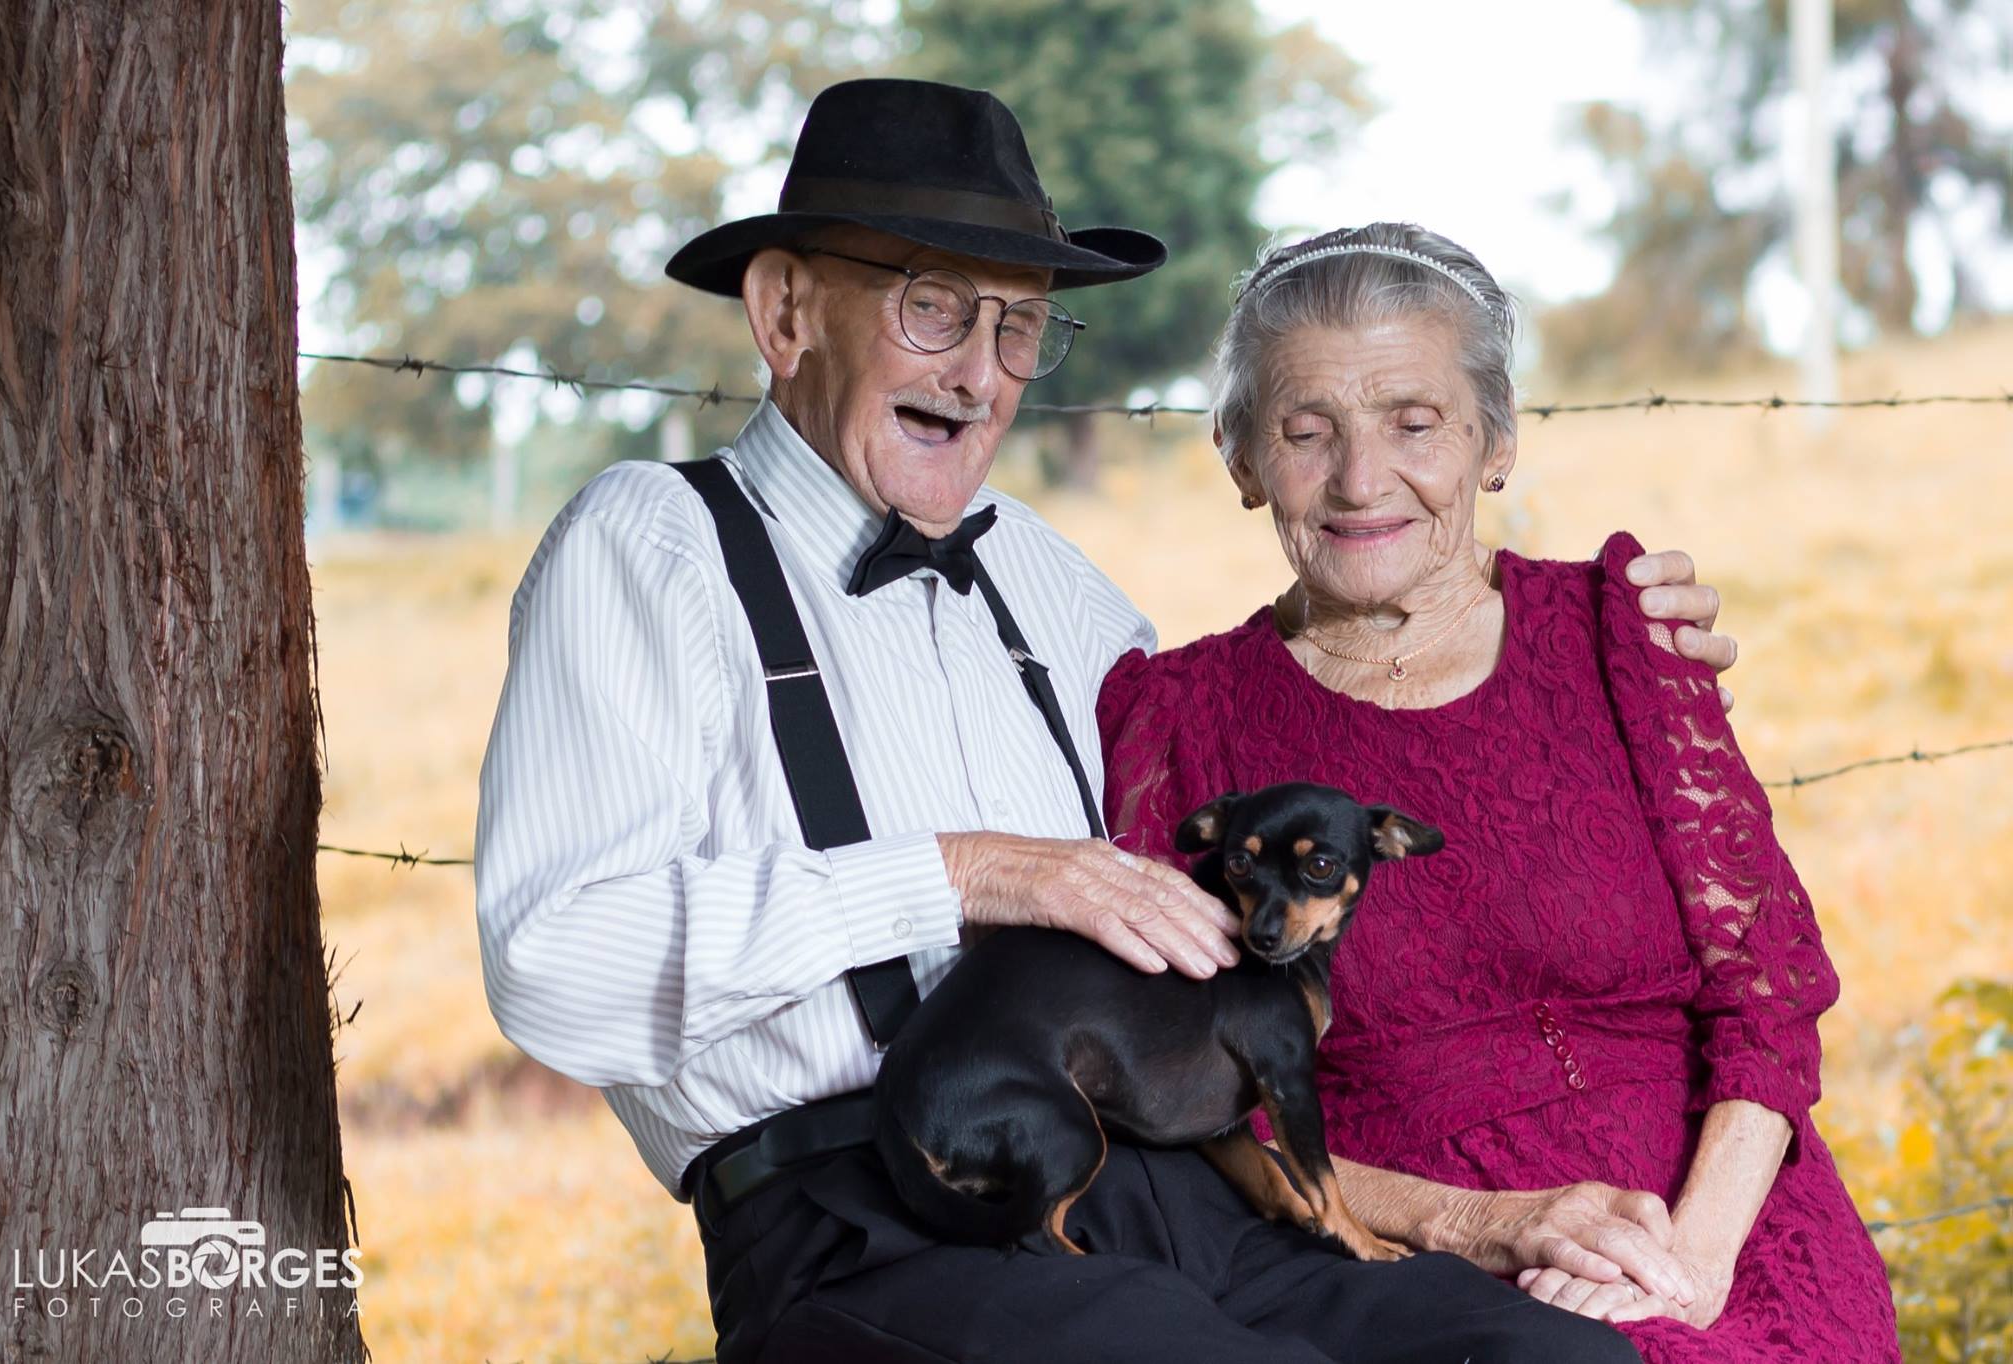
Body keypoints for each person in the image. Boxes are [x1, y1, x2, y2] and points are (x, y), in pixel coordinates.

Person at [474, 80, 1739, 1364]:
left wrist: (1589, 655)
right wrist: (962, 874)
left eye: (1018, 326)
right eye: (931, 306)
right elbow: (554, 963)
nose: (978, 372)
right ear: (786, 309)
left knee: (1551, 1358)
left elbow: (1287, 744)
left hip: (1168, 1189)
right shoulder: (650, 546)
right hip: (866, 1213)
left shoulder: (1047, 579)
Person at [1097, 222, 1902, 1363]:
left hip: (1725, 1222)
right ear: (1237, 458)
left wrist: (1688, 1267)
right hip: (1419, 1270)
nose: (1360, 478)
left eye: (1412, 422)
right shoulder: (1175, 719)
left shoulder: (1619, 633)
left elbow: (1763, 998)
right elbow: (1191, 1098)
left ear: (1496, 439)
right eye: (1304, 430)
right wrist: (1477, 1228)